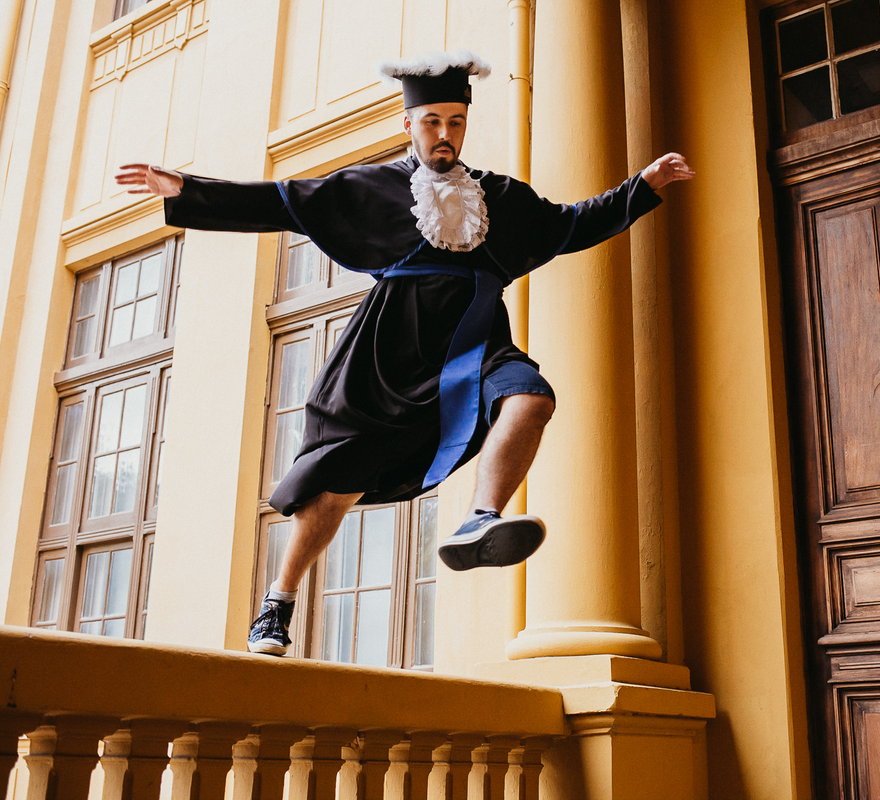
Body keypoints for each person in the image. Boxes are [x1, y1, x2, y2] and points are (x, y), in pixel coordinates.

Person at [115, 51, 694, 656]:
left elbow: (570, 224)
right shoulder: (370, 189)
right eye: (432, 122)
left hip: (475, 345)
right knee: (336, 484)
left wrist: (642, 188)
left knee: (530, 398)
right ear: (410, 123)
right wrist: (186, 190)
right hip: (388, 355)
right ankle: (277, 605)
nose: (445, 135)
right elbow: (280, 202)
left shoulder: (500, 198)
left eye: (456, 122)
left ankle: (481, 519)